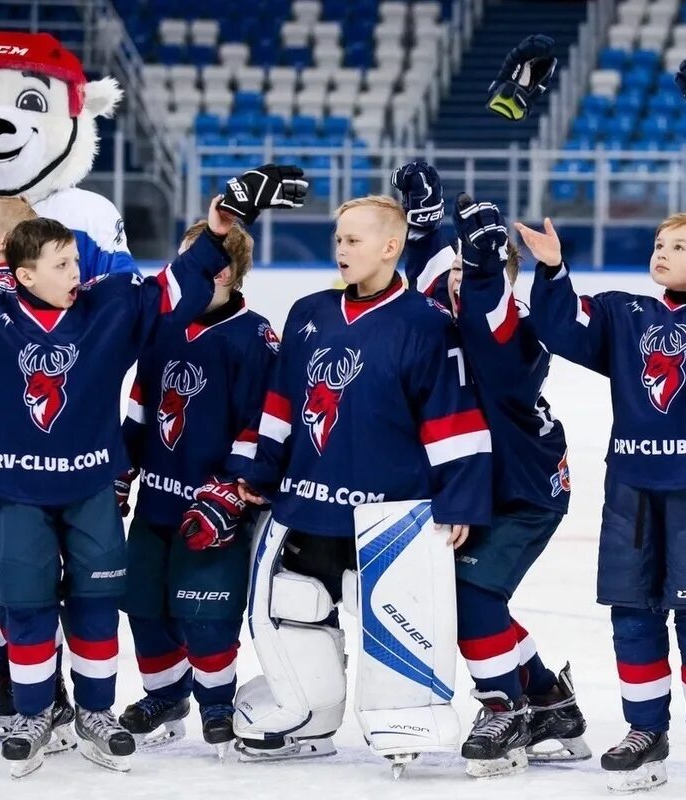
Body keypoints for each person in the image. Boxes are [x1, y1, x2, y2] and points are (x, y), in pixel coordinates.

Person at [0, 162, 302, 775]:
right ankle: (34, 712)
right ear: (23, 274)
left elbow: (173, 288)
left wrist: (219, 227)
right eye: (62, 265)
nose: (77, 274)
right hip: (15, 489)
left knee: (97, 602)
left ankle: (95, 712)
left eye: (76, 261)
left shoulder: (108, 305)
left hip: (91, 487)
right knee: (26, 605)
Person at [192, 194, 493, 758]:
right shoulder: (310, 312)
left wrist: (460, 499)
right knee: (296, 607)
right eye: (338, 240)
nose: (341, 249)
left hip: (389, 516)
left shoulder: (428, 324)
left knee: (396, 619)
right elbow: (281, 403)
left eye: (353, 240)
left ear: (391, 246)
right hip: (307, 506)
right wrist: (260, 469)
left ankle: (403, 718)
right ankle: (311, 714)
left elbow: (452, 417)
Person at [521, 211, 686, 794]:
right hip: (631, 488)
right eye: (660, 243)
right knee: (632, 613)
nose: (662, 252)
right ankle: (645, 729)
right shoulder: (622, 312)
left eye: (679, 246)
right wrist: (553, 268)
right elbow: (560, 328)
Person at [394, 161, 588, 777]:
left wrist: (480, 267)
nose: (457, 279)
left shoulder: (521, 327)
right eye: (457, 269)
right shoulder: (452, 294)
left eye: (472, 271)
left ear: (502, 279)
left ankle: (505, 707)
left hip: (523, 491)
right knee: (470, 599)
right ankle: (550, 698)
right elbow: (429, 269)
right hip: (472, 484)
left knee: (472, 596)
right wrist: (423, 220)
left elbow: (488, 328)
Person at [114, 219, 276, 756]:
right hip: (156, 503)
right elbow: (141, 407)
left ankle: (216, 702)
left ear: (222, 272)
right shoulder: (162, 327)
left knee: (205, 613)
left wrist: (231, 487)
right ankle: (165, 696)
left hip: (214, 510)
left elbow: (264, 422)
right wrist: (121, 467)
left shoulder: (253, 338)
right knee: (143, 604)